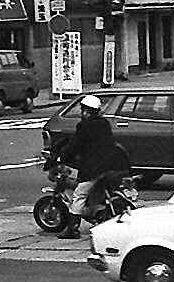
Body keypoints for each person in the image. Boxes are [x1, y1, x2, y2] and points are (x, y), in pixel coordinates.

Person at [51, 93, 125, 239]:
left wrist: (62, 158)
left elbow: (75, 146)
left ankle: (72, 229)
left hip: (94, 168)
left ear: (86, 110)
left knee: (79, 194)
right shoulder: (104, 123)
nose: (81, 113)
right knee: (97, 191)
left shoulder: (85, 125)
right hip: (111, 165)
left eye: (82, 110)